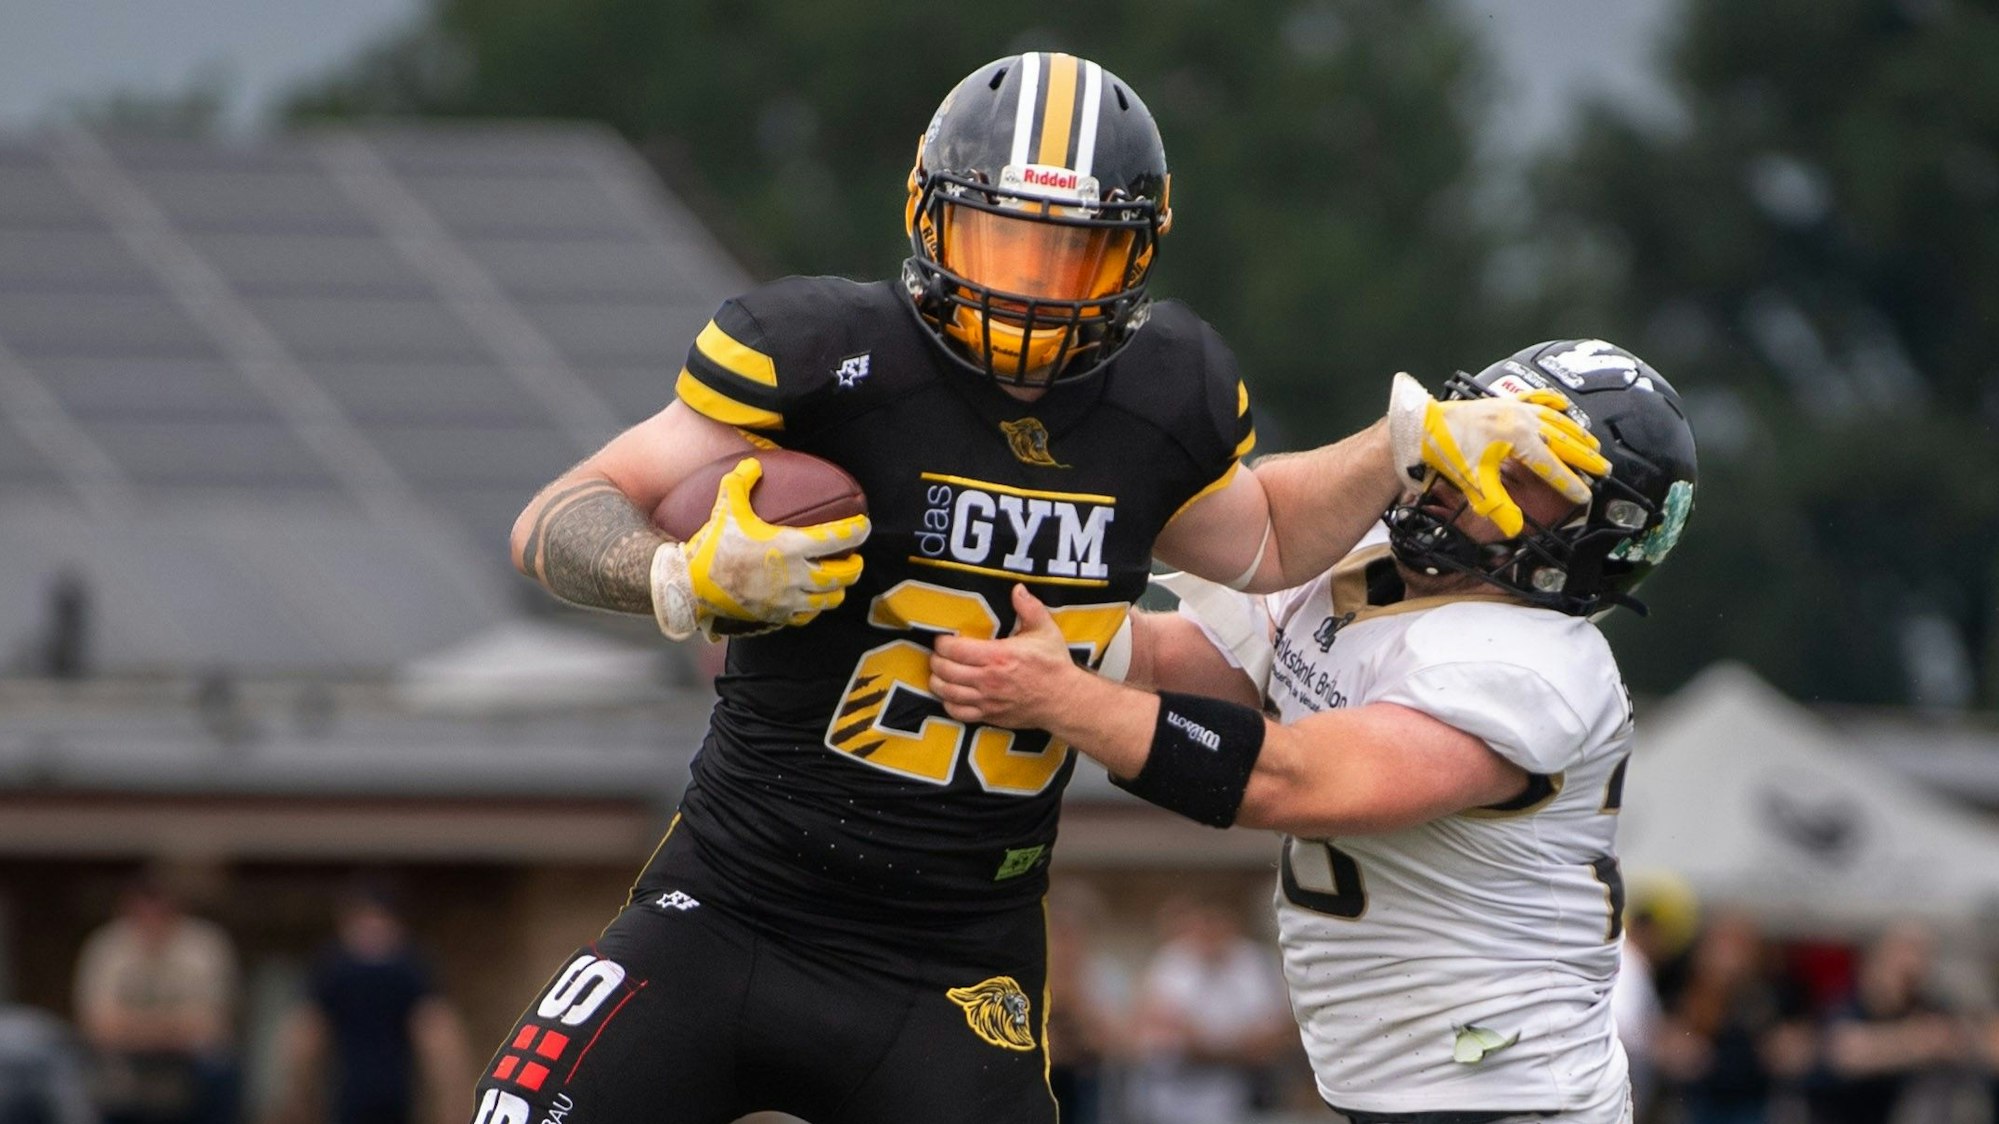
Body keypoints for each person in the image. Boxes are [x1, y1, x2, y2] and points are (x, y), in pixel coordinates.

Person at [490, 52, 1607, 1124]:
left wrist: (1395, 445)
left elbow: (1263, 533)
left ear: (1140, 256)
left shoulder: (1167, 397)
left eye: (1072, 255)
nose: (1031, 288)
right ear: (928, 215)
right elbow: (555, 517)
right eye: (1002, 239)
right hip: (734, 901)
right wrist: (675, 574)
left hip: (952, 955)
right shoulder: (822, 351)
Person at [932, 339, 1700, 1123]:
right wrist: (1039, 632)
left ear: (1599, 533)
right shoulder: (1364, 560)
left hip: (1506, 1094)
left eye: (1530, 465)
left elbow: (1294, 781)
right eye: (1481, 432)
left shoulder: (1541, 665)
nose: (1473, 468)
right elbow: (1174, 653)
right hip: (1397, 1089)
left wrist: (1062, 699)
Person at [267, 883, 473, 1124]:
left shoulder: (336, 966)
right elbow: (440, 1041)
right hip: (387, 1100)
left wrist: (297, 1097)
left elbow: (304, 1038)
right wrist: (453, 1102)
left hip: (353, 1098)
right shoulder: (408, 967)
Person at [73, 874, 239, 1124]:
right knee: (81, 1074)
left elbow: (213, 1025)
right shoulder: (107, 945)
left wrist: (135, 1027)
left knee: (221, 1068)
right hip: (123, 1060)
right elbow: (98, 1026)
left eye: (160, 912)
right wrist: (171, 1027)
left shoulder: (205, 945)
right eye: (142, 913)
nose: (151, 921)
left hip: (189, 1062)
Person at [1124, 895, 1295, 1124]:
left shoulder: (1255, 963)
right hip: (1171, 1099)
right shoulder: (1170, 963)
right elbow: (1156, 1033)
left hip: (1245, 1097)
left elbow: (1271, 1038)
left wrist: (1207, 1045)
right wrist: (1232, 1046)